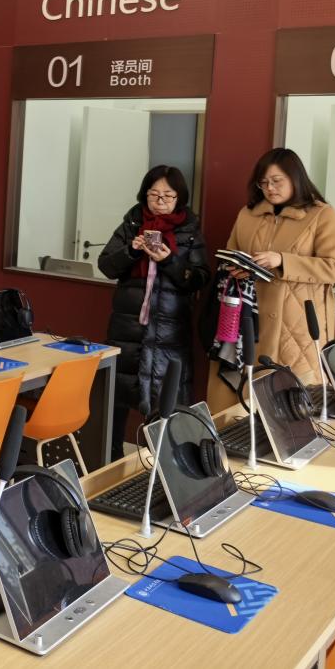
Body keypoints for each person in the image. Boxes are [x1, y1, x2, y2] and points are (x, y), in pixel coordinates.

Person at [214, 148, 335, 398]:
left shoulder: (321, 214)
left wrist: (282, 260)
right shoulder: (248, 213)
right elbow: (231, 252)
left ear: (295, 178)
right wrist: (237, 269)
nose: (270, 188)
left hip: (296, 324)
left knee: (293, 401)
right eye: (263, 183)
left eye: (276, 181)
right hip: (250, 318)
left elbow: (334, 268)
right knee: (244, 400)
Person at [98, 165, 209, 460]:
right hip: (126, 329)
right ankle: (108, 464)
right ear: (144, 194)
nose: (160, 201)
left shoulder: (189, 231)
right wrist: (132, 250)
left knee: (166, 405)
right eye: (154, 194)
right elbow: (106, 265)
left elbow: (199, 278)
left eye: (168, 196)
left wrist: (169, 260)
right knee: (115, 401)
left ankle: (163, 467)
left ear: (179, 198)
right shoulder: (132, 223)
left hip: (169, 332)